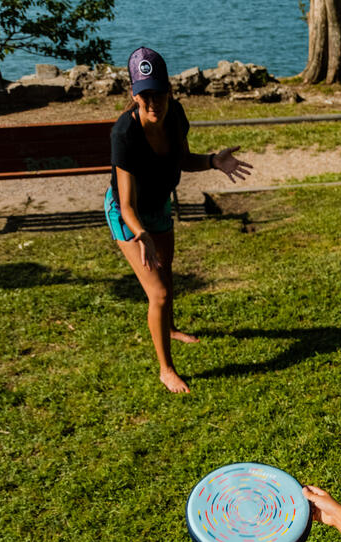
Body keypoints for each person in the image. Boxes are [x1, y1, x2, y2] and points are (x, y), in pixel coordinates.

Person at [105, 47, 253, 394]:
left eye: (159, 93)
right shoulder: (124, 135)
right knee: (157, 293)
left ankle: (169, 328)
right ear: (134, 94)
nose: (153, 103)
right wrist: (141, 235)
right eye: (145, 95)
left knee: (167, 275)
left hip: (159, 207)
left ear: (169, 91)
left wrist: (214, 161)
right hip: (130, 216)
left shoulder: (175, 117)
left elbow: (184, 160)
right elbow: (125, 204)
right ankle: (165, 368)